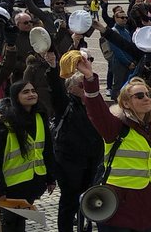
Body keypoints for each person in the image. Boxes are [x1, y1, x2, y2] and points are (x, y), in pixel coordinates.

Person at [76, 57, 151, 232]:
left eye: (148, 94)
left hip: (149, 209)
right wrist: (90, 78)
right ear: (126, 103)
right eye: (139, 96)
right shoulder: (116, 126)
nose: (146, 98)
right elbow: (96, 111)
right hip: (118, 209)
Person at [0, 80, 57, 232]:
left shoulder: (39, 117)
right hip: (11, 186)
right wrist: (0, 190)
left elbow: (47, 149)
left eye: (33, 91)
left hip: (33, 183)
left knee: (20, 222)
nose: (31, 94)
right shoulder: (4, 124)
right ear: (15, 96)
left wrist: (50, 177)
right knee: (9, 224)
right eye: (25, 92)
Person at [52, 60, 103, 232]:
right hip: (70, 164)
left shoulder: (94, 105)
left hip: (92, 161)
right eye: (81, 85)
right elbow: (55, 86)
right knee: (69, 202)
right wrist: (53, 66)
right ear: (70, 88)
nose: (85, 88)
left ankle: (85, 228)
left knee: (89, 200)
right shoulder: (65, 105)